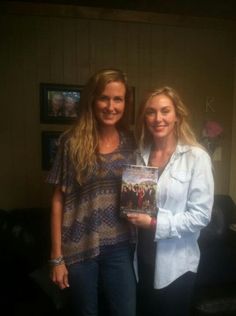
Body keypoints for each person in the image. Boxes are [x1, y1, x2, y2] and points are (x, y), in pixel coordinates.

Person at [46, 68, 136, 316]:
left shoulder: (131, 142)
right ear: (92, 100)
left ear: (124, 103)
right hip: (78, 245)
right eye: (104, 98)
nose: (110, 106)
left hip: (119, 245)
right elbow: (58, 200)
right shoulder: (71, 141)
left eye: (117, 99)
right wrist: (56, 258)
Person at [126, 86, 214, 316]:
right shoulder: (139, 155)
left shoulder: (197, 157)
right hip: (141, 259)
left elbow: (201, 216)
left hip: (176, 266)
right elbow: (137, 203)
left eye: (165, 111)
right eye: (151, 112)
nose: (158, 119)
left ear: (177, 115)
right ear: (144, 118)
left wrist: (154, 224)